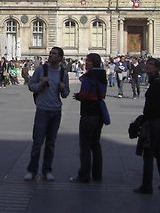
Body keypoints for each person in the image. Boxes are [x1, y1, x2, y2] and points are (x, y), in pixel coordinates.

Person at [24, 47, 70, 182]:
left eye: (54, 54)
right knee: (37, 142)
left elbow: (66, 94)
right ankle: (32, 170)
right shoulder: (41, 70)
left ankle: (47, 170)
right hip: (42, 110)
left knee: (50, 143)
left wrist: (63, 89)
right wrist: (41, 84)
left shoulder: (63, 74)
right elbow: (31, 86)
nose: (51, 55)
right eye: (50, 53)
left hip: (56, 111)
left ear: (60, 58)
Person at [133, 58, 160, 194]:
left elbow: (153, 106)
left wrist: (143, 119)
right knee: (158, 153)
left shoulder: (156, 84)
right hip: (157, 120)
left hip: (154, 122)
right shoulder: (154, 82)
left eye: (151, 65)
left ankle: (147, 186)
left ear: (157, 68)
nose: (147, 66)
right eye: (147, 64)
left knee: (148, 153)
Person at [71, 53, 107, 183]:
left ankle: (84, 175)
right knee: (96, 145)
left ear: (93, 63)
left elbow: (85, 94)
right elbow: (102, 93)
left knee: (85, 146)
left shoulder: (88, 76)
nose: (85, 63)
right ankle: (97, 175)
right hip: (99, 114)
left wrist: (79, 96)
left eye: (88, 61)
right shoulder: (103, 75)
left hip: (88, 114)